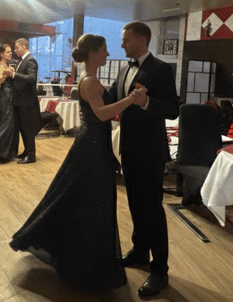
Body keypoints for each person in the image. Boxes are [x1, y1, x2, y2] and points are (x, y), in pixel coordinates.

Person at [10, 34, 147, 293]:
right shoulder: (90, 81)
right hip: (93, 146)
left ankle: (81, 253)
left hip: (92, 142)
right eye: (105, 50)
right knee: (91, 199)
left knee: (80, 197)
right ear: (93, 53)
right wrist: (131, 100)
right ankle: (86, 260)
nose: (108, 54)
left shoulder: (89, 79)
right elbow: (103, 113)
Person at [110, 21, 179, 297]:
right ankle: (139, 251)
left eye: (126, 40)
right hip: (128, 147)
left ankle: (160, 270)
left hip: (150, 151)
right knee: (135, 204)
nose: (122, 44)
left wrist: (147, 103)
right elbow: (112, 97)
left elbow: (173, 109)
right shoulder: (125, 68)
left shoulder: (160, 69)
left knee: (152, 209)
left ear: (141, 40)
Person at [8, 38, 40, 164]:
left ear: (23, 46)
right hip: (21, 100)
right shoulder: (23, 60)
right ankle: (27, 151)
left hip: (27, 102)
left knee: (27, 129)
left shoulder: (30, 60)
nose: (15, 51)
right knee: (23, 128)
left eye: (16, 48)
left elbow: (31, 79)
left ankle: (31, 155)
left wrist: (14, 75)